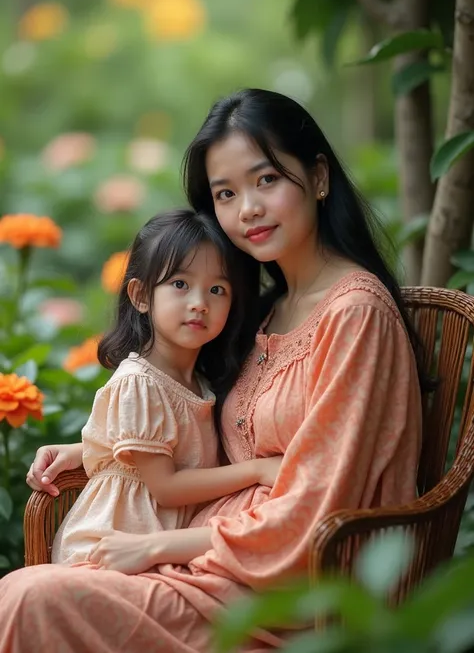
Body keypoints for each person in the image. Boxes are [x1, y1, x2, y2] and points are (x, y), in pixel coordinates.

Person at [1, 89, 423, 652]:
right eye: (226, 193)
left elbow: (316, 508)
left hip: (283, 594)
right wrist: (101, 448)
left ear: (318, 177)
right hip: (207, 567)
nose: (246, 208)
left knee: (29, 599)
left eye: (266, 180)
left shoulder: (355, 317)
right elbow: (203, 440)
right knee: (23, 594)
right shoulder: (261, 310)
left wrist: (156, 549)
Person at [51, 208, 281, 565]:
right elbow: (167, 488)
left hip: (159, 548)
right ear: (141, 296)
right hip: (107, 548)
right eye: (180, 284)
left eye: (217, 289)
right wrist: (257, 470)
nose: (199, 304)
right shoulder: (139, 383)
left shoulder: (202, 383)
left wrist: (79, 448)